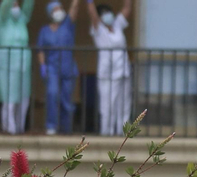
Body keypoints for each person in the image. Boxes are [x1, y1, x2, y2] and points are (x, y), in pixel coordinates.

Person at [83, 0, 131, 137]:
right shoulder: (99, 29)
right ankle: (107, 134)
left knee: (124, 105)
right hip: (107, 74)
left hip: (123, 70)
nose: (107, 16)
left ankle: (124, 134)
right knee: (107, 106)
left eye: (108, 12)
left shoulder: (117, 25)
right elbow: (92, 13)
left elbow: (127, 7)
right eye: (103, 14)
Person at [35, 0, 78, 136]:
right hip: (52, 68)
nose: (59, 11)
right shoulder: (44, 31)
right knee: (52, 94)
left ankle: (66, 127)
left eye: (61, 8)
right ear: (50, 13)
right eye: (56, 9)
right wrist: (43, 66)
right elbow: (40, 49)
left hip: (68, 67)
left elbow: (74, 7)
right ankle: (51, 126)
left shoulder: (67, 25)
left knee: (66, 99)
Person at [0, 0, 35, 134]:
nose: (16, 7)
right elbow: (5, 6)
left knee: (23, 96)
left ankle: (19, 127)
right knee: (9, 97)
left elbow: (28, 6)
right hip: (7, 62)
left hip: (23, 61)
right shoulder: (2, 19)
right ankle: (9, 128)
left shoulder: (21, 20)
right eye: (14, 4)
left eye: (18, 4)